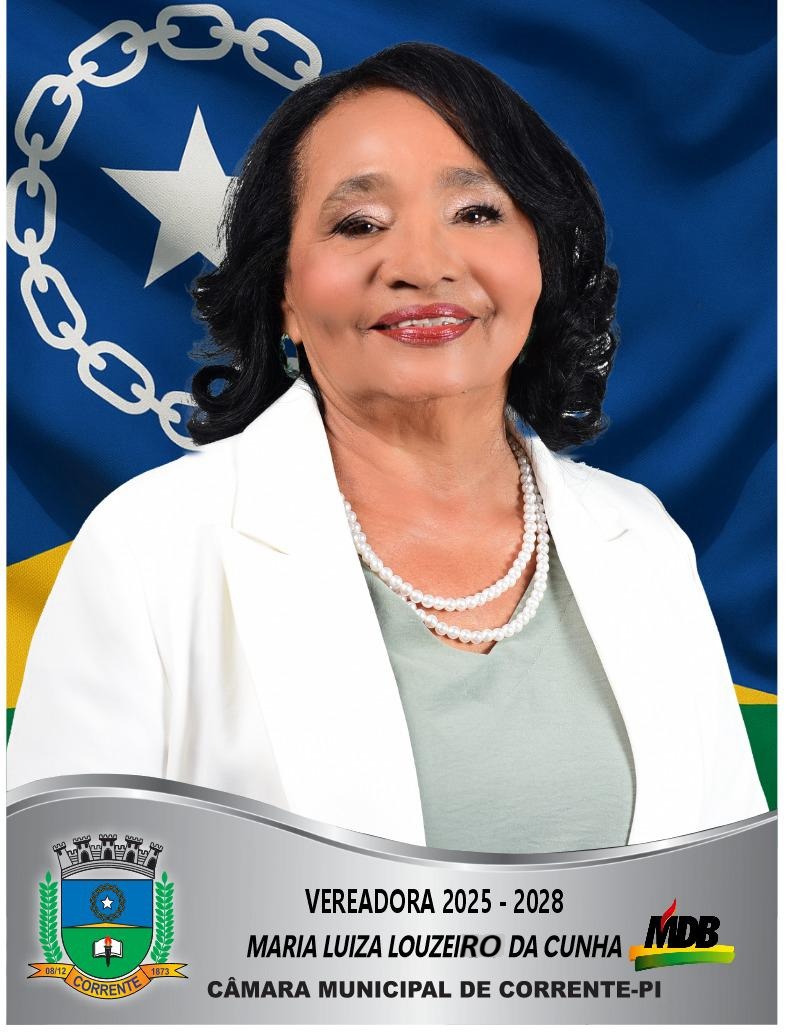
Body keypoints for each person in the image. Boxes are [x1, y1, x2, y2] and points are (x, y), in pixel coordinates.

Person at [7, 42, 766, 852]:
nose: (420, 265)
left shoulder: (642, 539)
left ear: (541, 259)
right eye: (358, 224)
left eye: (475, 212)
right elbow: (63, 903)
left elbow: (725, 898)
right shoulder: (149, 546)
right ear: (284, 293)